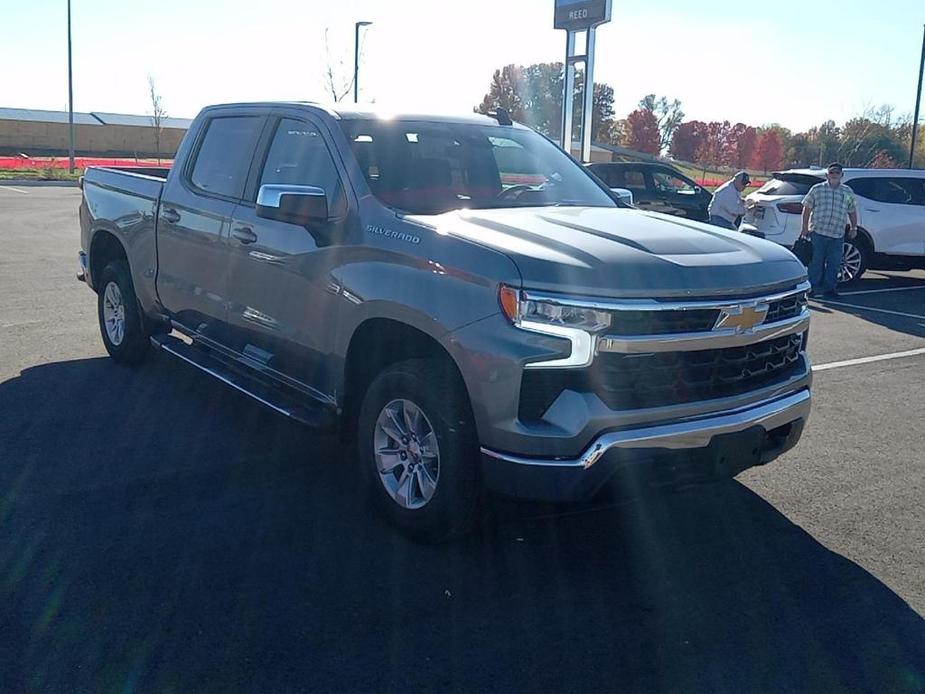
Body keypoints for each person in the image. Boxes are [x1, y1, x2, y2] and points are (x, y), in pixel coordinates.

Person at [800, 162, 858, 299]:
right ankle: (811, 288)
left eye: (837, 173)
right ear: (827, 175)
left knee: (834, 263)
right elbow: (806, 209)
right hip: (818, 232)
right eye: (831, 172)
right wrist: (804, 228)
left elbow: (852, 210)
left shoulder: (847, 192)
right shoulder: (817, 189)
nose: (834, 175)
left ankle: (829, 289)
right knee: (815, 262)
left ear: (842, 175)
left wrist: (854, 227)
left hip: (837, 234)